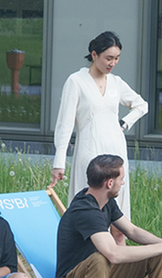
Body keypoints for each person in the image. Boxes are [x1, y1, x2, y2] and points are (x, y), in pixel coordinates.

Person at [50, 31, 148, 245]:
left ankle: (119, 274)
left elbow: (142, 105)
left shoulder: (116, 83)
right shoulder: (76, 81)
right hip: (89, 151)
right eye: (108, 58)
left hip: (116, 151)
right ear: (94, 54)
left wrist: (125, 122)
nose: (113, 63)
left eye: (117, 58)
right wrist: (59, 162)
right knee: (90, 219)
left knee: (119, 224)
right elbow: (65, 124)